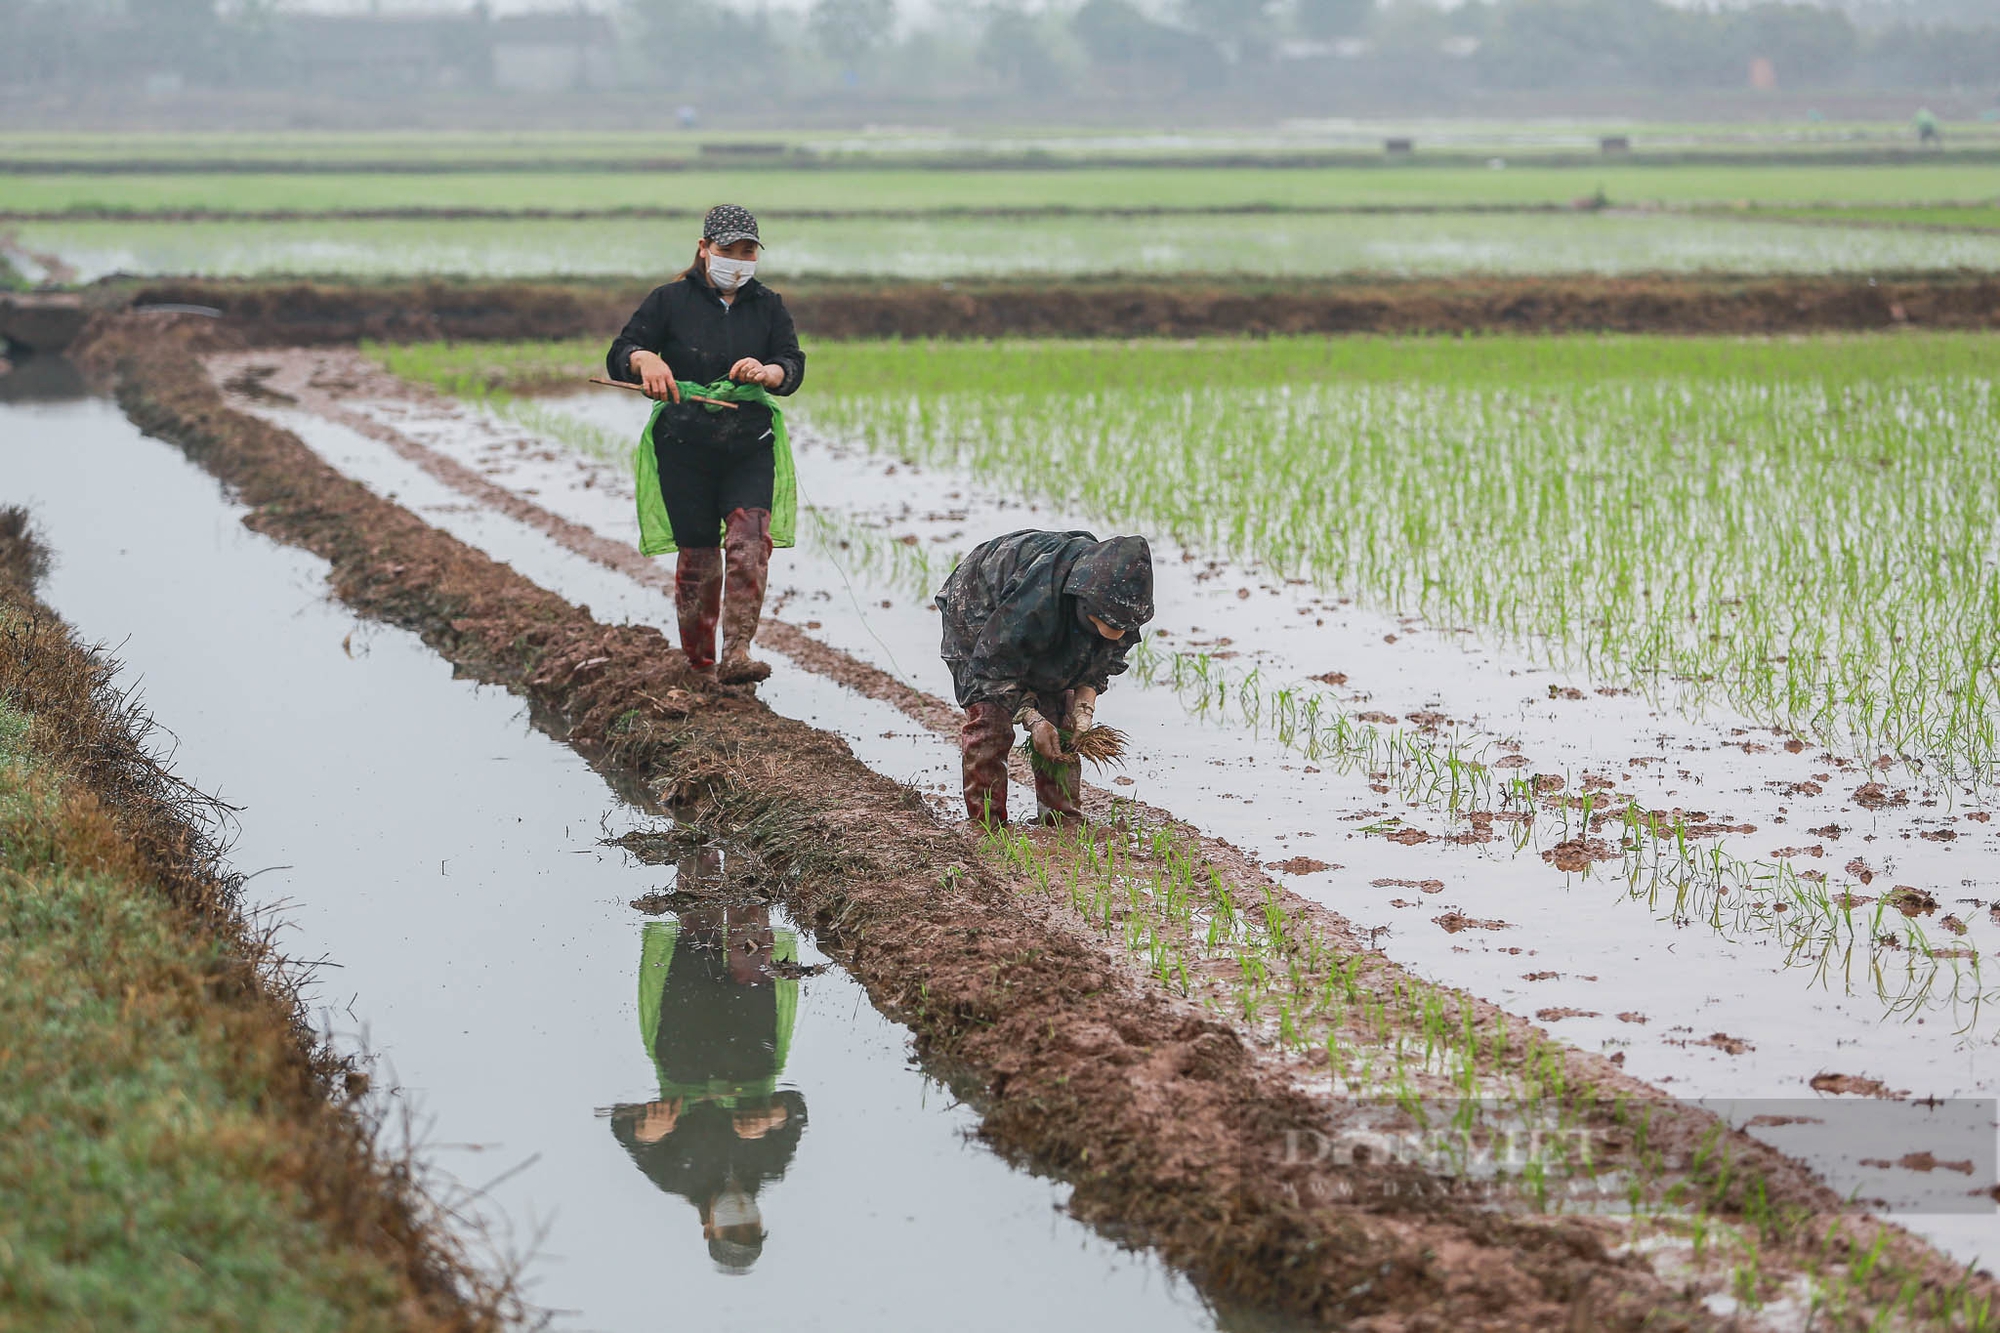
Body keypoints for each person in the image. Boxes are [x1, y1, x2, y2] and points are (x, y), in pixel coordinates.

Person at [607, 204, 806, 685]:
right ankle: (700, 665)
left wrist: (769, 372)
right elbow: (620, 353)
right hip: (684, 443)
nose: (738, 260)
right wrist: (645, 361)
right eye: (727, 250)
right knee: (698, 557)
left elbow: (791, 363)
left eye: (747, 252)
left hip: (748, 442)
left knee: (750, 542)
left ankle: (738, 652)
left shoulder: (768, 305)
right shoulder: (669, 301)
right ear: (703, 249)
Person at [605, 850, 808, 1274]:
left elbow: (622, 1126)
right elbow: (797, 1109)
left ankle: (696, 831)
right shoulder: (769, 1164)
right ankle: (746, 842)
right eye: (749, 1225)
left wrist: (647, 1128)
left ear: (708, 1228)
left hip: (685, 1035)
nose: (741, 1217)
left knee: (698, 927)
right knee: (750, 934)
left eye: (732, 1228)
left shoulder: (674, 1175)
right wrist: (770, 1118)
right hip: (753, 1040)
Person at [935, 530, 1154, 826]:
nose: (1117, 633)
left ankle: (1062, 819)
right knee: (991, 718)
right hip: (979, 608)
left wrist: (1083, 709)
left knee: (1061, 722)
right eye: (1106, 625)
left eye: (1122, 629)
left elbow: (1101, 661)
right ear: (1087, 606)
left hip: (1044, 621)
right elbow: (992, 664)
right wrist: (1031, 717)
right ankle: (986, 823)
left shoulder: (1124, 607)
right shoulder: (1037, 601)